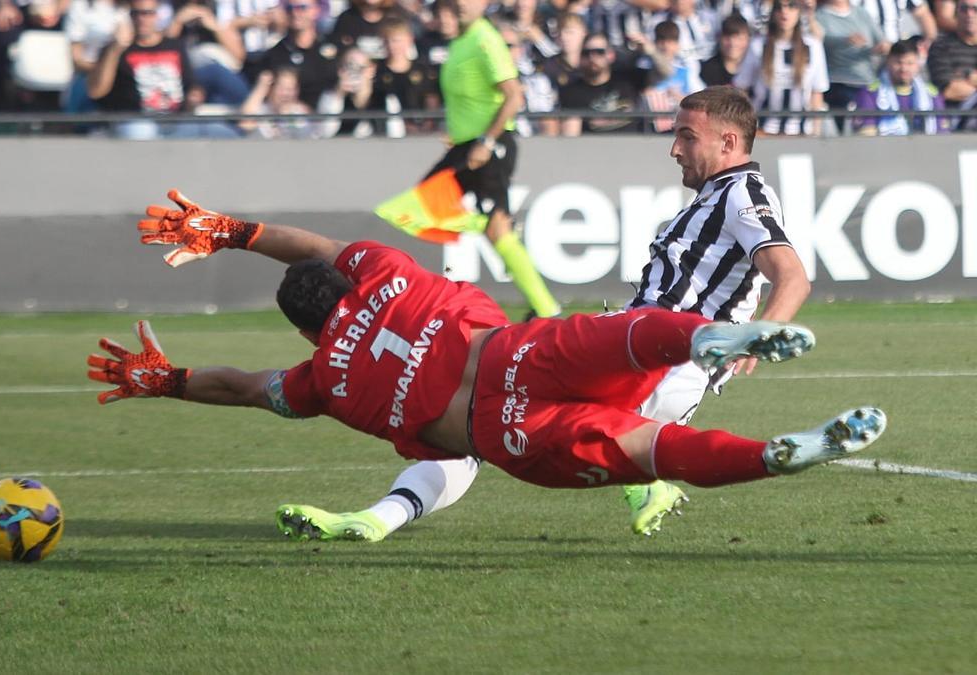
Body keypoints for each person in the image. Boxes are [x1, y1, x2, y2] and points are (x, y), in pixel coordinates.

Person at [86, 194, 884, 541]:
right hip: (517, 355)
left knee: (645, 447)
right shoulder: (387, 270)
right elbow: (318, 246)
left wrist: (170, 379)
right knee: (625, 331)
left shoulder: (320, 380)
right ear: (348, 279)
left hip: (504, 433)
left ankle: (773, 456)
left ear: (303, 329)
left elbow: (245, 388)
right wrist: (230, 228)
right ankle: (713, 337)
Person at [237, 86, 818, 542]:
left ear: (729, 143)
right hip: (640, 341)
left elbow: (791, 274)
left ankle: (667, 469)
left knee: (491, 425)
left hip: (666, 361)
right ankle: (384, 516)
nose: (674, 148)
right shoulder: (713, 198)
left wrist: (756, 336)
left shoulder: (742, 195)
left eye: (686, 137)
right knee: (485, 421)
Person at [426, 0, 563, 319]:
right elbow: (468, 98)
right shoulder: (461, 41)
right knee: (426, 208)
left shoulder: (485, 39)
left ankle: (546, 308)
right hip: (466, 144)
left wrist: (486, 141)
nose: (460, 4)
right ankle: (544, 307)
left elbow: (514, 95)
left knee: (426, 207)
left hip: (488, 145)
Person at [88, 0, 238, 138]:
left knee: (223, 132)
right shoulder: (116, 49)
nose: (142, 19)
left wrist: (195, 95)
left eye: (148, 13)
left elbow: (191, 84)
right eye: (136, 13)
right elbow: (96, 91)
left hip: (176, 120)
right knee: (141, 133)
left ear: (157, 15)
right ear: (129, 16)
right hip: (136, 119)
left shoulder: (175, 46)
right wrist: (115, 50)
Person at [734, 0, 829, 135]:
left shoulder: (814, 47)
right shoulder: (758, 45)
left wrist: (816, 133)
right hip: (762, 130)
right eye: (779, 7)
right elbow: (742, 89)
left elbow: (817, 93)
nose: (784, 12)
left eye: (792, 6)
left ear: (799, 11)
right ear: (773, 12)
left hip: (801, 132)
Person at [816, 0, 889, 132]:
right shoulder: (820, 16)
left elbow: (881, 41)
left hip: (866, 83)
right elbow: (820, 43)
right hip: (837, 84)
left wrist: (882, 47)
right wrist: (845, 41)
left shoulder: (862, 14)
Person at [854, 38, 951, 134]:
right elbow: (867, 135)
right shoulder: (870, 93)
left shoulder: (931, 94)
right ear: (888, 62)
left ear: (918, 65)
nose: (904, 68)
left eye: (910, 63)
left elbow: (942, 133)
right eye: (898, 63)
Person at [257, 0, 340, 108]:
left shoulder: (333, 47)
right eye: (290, 9)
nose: (295, 13)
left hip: (328, 117)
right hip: (290, 119)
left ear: (317, 10)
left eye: (302, 8)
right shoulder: (276, 54)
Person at [927, 0, 977, 108]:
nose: (970, 14)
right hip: (956, 118)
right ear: (956, 13)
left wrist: (968, 80)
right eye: (964, 9)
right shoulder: (940, 46)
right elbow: (949, 91)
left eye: (975, 9)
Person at [699, 14, 751, 87]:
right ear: (719, 38)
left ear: (748, 39)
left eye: (739, 38)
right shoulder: (708, 69)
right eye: (727, 38)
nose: (733, 44)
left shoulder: (756, 69)